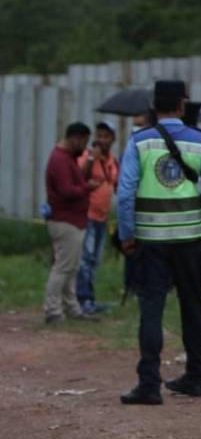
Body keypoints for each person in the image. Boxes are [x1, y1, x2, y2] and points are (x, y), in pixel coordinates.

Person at [117, 80, 201, 405]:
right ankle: (196, 377)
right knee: (193, 308)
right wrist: (198, 220)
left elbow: (124, 195)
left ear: (154, 106)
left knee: (151, 309)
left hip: (150, 242)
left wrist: (127, 236)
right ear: (181, 105)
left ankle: (149, 384)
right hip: (190, 241)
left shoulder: (139, 141)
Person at [43, 122, 100, 324]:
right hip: (65, 220)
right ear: (75, 138)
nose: (84, 147)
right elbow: (67, 190)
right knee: (63, 267)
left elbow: (74, 182)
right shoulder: (60, 160)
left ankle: (71, 307)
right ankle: (53, 310)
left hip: (73, 220)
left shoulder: (68, 158)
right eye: (83, 141)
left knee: (71, 267)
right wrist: (88, 188)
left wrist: (85, 178)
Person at [75, 121, 119, 315]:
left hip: (102, 217)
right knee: (85, 259)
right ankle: (83, 300)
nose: (101, 140)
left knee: (95, 260)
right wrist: (93, 159)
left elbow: (115, 185)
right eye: (99, 135)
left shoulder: (112, 161)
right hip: (88, 215)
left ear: (112, 139)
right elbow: (79, 177)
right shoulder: (86, 156)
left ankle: (90, 299)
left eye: (105, 136)